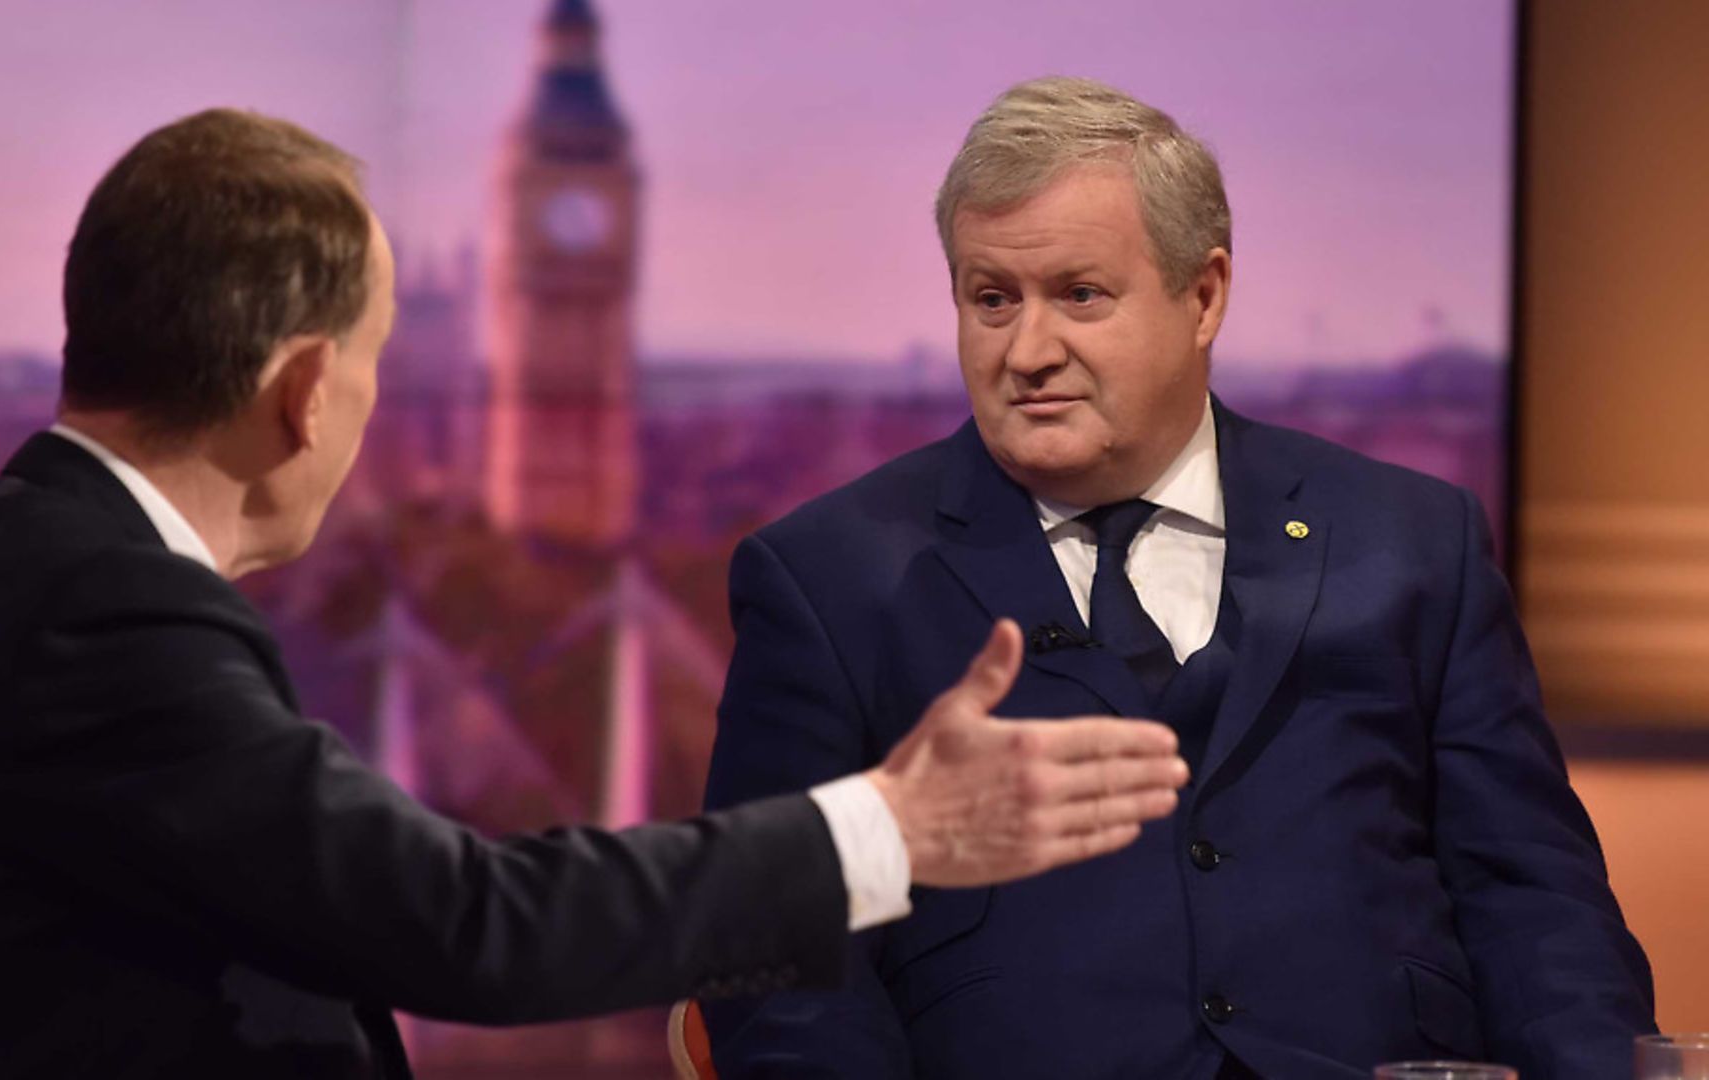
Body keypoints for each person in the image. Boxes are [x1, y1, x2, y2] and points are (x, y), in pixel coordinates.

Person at [0, 109, 1192, 1078]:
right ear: (297, 390)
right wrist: (887, 830)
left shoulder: (2, 577)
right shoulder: (93, 615)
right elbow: (460, 924)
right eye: (376, 360)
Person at [701, 77, 1656, 1079]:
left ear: (1203, 296)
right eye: (992, 300)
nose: (1028, 351)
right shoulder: (829, 580)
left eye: (1079, 295)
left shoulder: (1413, 542)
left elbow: (1535, 904)